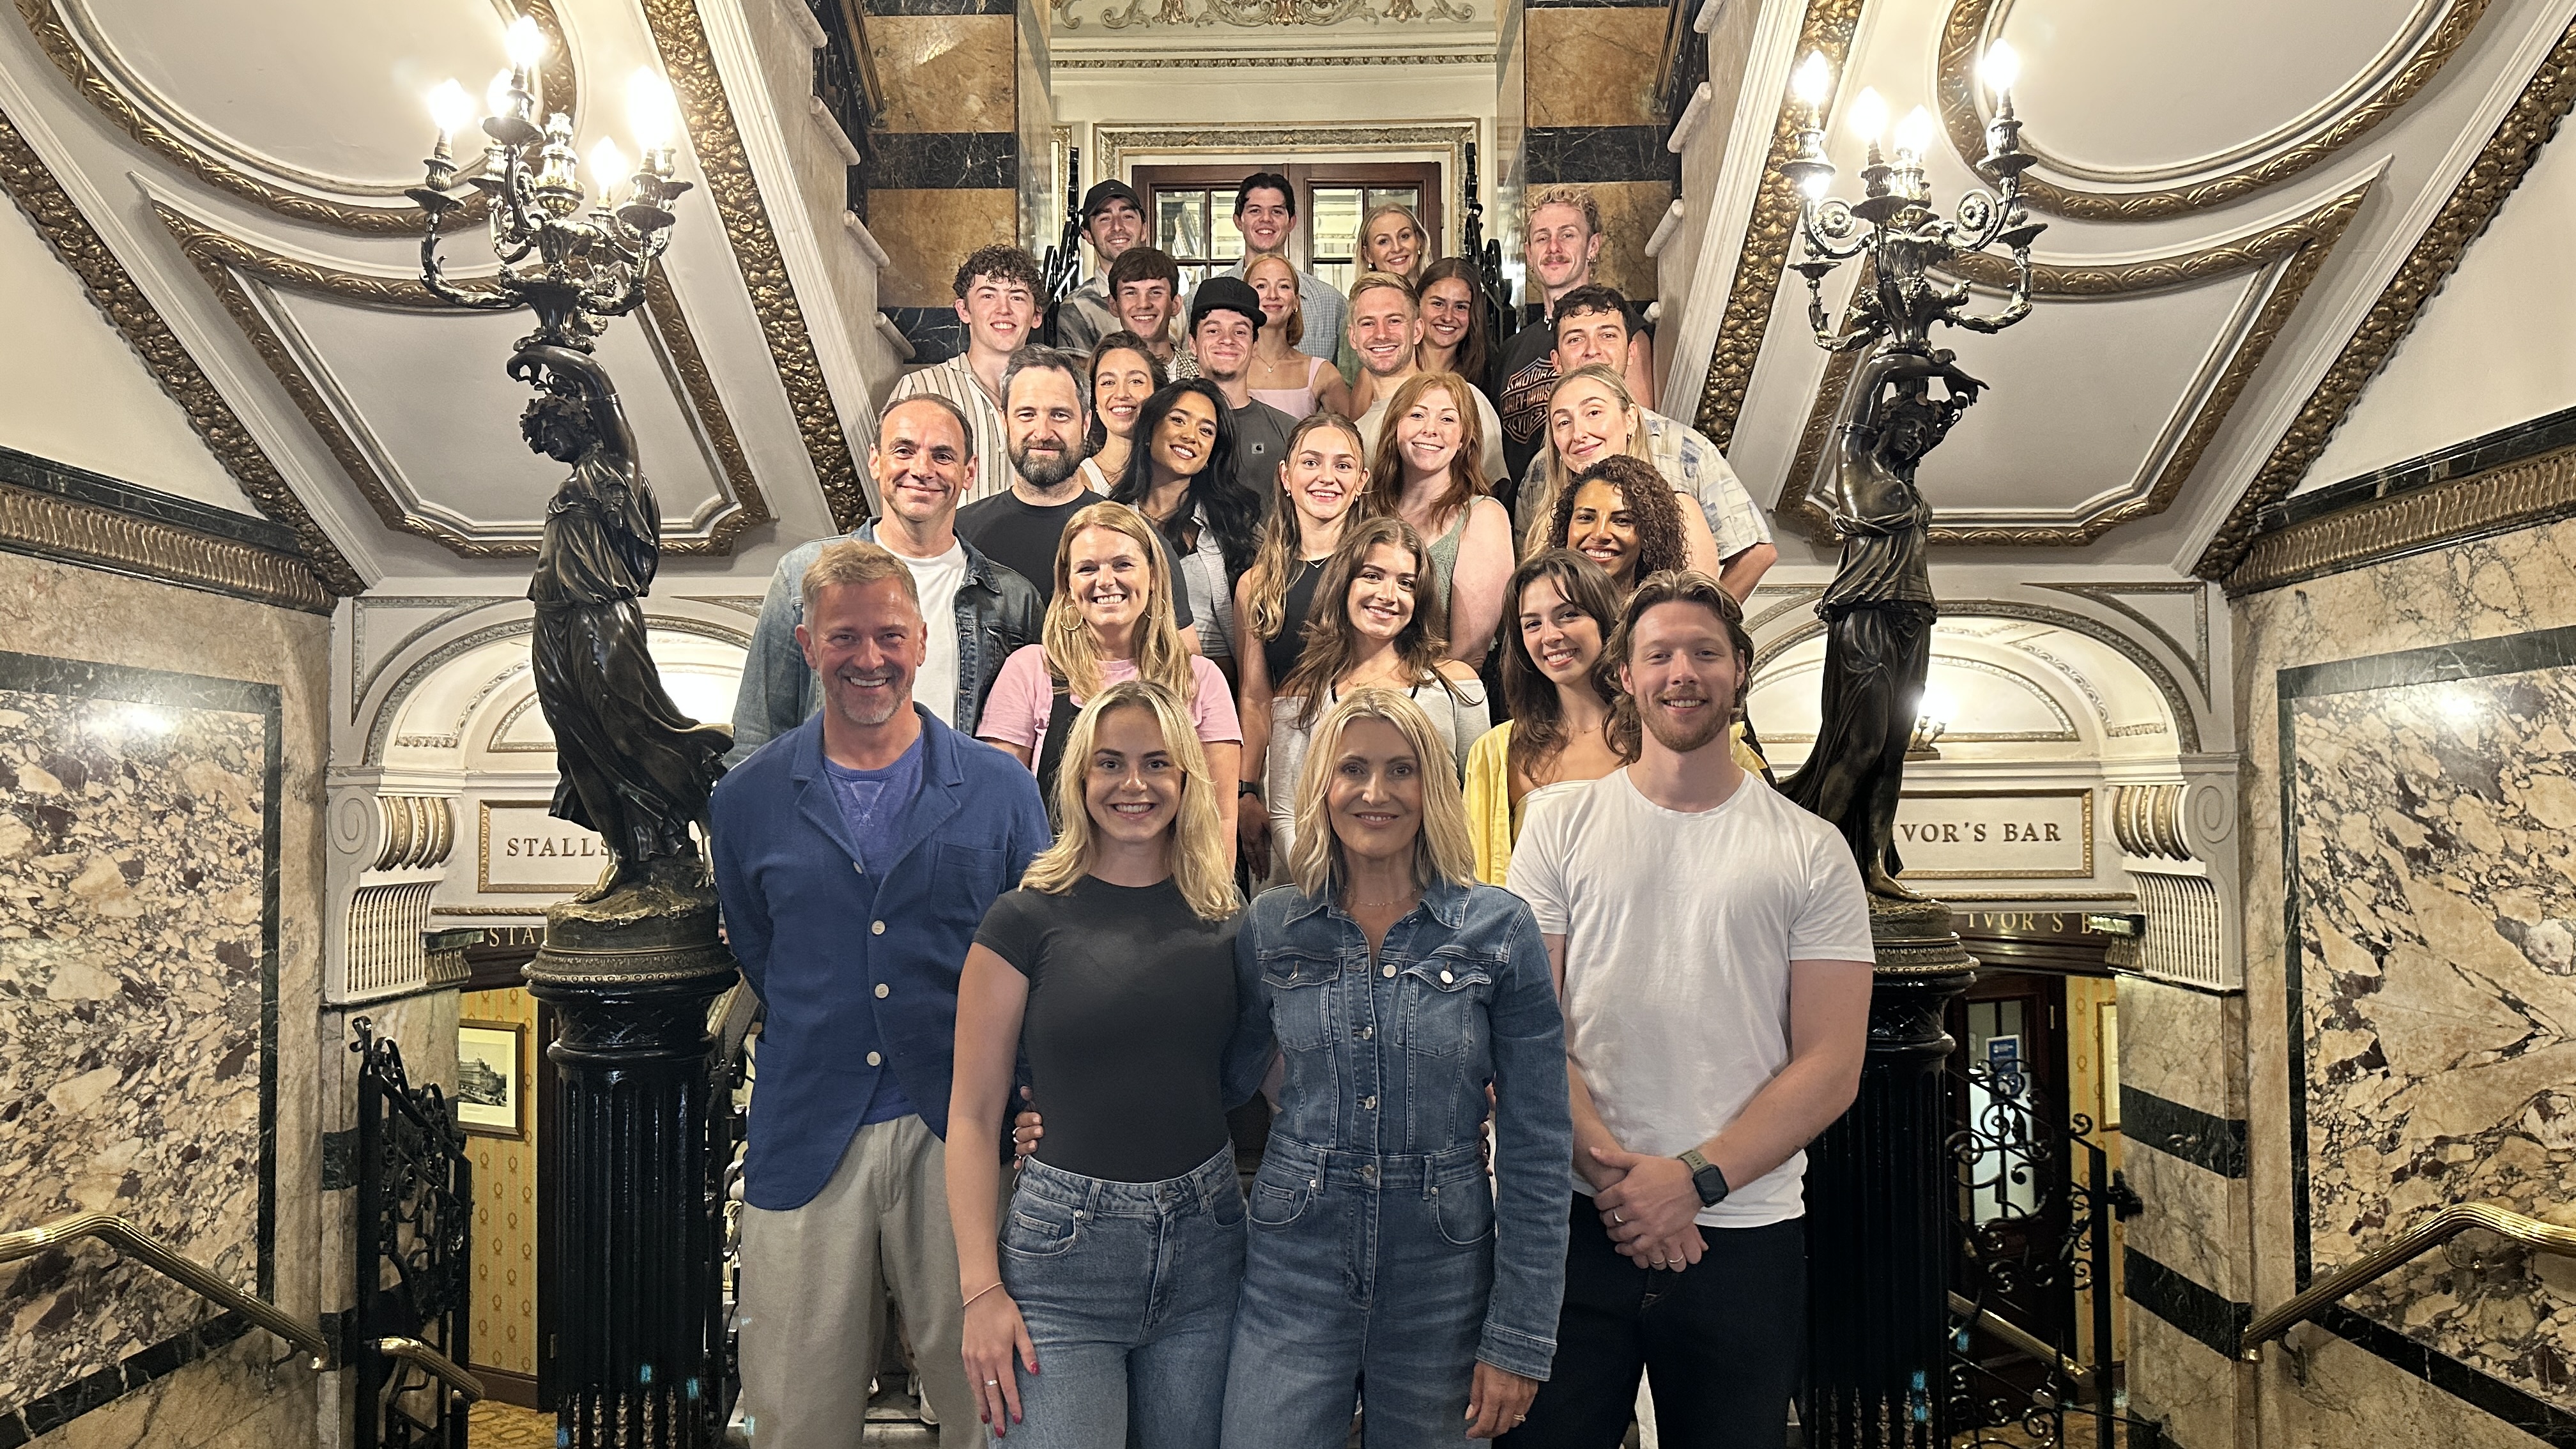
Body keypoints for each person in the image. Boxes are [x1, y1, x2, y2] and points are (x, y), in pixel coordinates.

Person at [1501, 572, 1873, 1449]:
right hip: (1576, 1223)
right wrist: (1623, 1187)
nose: (1682, 674)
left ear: (1739, 670)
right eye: (1659, 654)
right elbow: (1524, 1032)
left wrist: (1694, 1180)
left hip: (1742, 1230)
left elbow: (1831, 1065)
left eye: (1705, 653)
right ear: (1625, 676)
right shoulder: (1556, 825)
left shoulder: (1813, 851)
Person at [712, 538, 1052, 1449]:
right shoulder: (745, 800)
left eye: (891, 635)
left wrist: (1028, 1093)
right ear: (806, 644)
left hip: (962, 1132)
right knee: (793, 1410)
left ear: (922, 640)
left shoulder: (1001, 791)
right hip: (805, 1129)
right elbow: (759, 949)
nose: (870, 658)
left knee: (993, 1410)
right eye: (845, 637)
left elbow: (1039, 956)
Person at [1223, 687, 1571, 1445]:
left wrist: (1519, 1333)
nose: (1375, 792)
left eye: (1401, 770)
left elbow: (1539, 1143)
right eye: (1353, 769)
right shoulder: (1272, 925)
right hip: (1293, 1260)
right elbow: (1214, 1081)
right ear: (1323, 786)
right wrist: (1061, 1109)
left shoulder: (1499, 928)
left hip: (1444, 1272)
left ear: (1432, 786)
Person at [947, 680, 1254, 1448]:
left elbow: (1273, 1072)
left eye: (1156, 763)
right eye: (1110, 763)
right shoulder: (1023, 919)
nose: (1133, 784)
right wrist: (980, 1290)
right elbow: (974, 1115)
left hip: (1208, 1251)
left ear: (1186, 777)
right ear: (1080, 777)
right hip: (1062, 1267)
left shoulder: (1228, 923)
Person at [730, 394, 1042, 760]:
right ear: (876, 460)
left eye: (942, 456)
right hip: (826, 794)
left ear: (969, 471)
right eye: (904, 451)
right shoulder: (801, 573)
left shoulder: (1013, 600)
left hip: (960, 796)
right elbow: (758, 734)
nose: (922, 469)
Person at [976, 500, 1244, 861]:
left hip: (1172, 890)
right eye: (1087, 568)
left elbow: (1220, 820)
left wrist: (1214, 896)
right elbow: (999, 809)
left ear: (1153, 576)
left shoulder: (1201, 680)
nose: (1105, 581)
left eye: (1122, 565)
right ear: (1067, 583)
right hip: (1054, 889)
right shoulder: (1029, 671)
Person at [1528, 285, 1777, 601]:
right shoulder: (1542, 471)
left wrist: (1709, 618)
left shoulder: (1686, 451)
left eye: (1607, 335)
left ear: (1631, 351)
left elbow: (1756, 550)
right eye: (1576, 339)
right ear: (1556, 360)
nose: (1593, 350)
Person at [1266, 517, 1487, 864]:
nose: (1388, 596)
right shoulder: (1301, 693)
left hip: (1440, 881)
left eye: (1406, 583)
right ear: (1344, 583)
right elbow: (1286, 815)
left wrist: (1456, 880)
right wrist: (1326, 884)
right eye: (1372, 576)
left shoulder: (1456, 683)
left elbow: (1481, 800)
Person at [1230, 412, 1368, 878]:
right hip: (1287, 766)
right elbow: (1255, 696)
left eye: (1343, 465)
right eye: (1311, 462)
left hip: (1364, 754)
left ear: (1362, 481)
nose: (1327, 477)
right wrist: (1247, 790)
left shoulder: (1379, 571)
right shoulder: (1258, 583)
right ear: (1286, 477)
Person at [1460, 549, 1625, 885]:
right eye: (1533, 624)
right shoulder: (1496, 752)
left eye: (1568, 615)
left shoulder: (1657, 735)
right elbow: (1478, 885)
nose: (1550, 636)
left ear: (1605, 619)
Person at [1109, 379, 1263, 687]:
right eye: (1178, 420)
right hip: (1138, 690)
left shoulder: (1236, 525)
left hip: (1225, 692)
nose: (1191, 436)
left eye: (1206, 431)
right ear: (1149, 432)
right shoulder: (1111, 523)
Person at [1494, 187, 1655, 484]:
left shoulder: (1622, 332)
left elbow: (1643, 435)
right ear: (1529, 253)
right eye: (1542, 238)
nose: (1553, 248)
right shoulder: (1509, 351)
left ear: (1592, 246)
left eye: (1567, 235)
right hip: (1532, 503)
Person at [1363, 371, 1514, 664]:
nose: (1430, 429)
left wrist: (1405, 689)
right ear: (1395, 427)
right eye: (1417, 415)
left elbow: (1470, 653)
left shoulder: (1482, 516)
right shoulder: (1366, 512)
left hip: (1440, 687)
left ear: (1463, 438)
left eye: (1447, 419)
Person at [1521, 365, 1723, 575]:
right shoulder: (1543, 519)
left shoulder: (1680, 512)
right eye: (1563, 422)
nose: (1578, 434)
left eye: (1594, 413)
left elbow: (1698, 595)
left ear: (1630, 419)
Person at [891, 245, 1044, 505]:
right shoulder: (920, 389)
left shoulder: (1055, 393)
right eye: (988, 296)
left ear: (1036, 315)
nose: (1003, 309)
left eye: (1017, 297)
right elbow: (895, 485)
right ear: (963, 310)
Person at [1348, 273, 1506, 485]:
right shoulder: (1355, 434)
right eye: (1368, 323)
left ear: (1417, 330)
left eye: (1394, 321)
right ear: (1353, 337)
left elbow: (1492, 490)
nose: (1381, 334)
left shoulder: (1463, 400)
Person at [1185, 276, 1299, 500]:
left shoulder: (1288, 432)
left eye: (1240, 332)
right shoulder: (1166, 424)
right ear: (1193, 343)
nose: (1227, 340)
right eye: (1213, 331)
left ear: (1255, 346)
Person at [1210, 171, 1342, 362]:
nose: (1266, 219)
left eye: (1277, 211)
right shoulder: (1203, 298)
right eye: (1255, 211)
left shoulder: (1330, 302)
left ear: (1291, 222)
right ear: (1238, 221)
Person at [1548, 456, 1694, 600]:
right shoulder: (1539, 605)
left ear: (1650, 535)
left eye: (1622, 521)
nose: (1600, 533)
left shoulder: (1667, 612)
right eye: (1586, 518)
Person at [1245, 252, 1351, 418]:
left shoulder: (1322, 372)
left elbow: (1350, 431)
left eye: (1284, 286)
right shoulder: (1228, 367)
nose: (1273, 295)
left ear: (1296, 301)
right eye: (1261, 286)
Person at [1337, 203, 1430, 390]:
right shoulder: (1357, 313)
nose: (1397, 248)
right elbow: (1349, 385)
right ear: (1368, 254)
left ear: (1419, 241)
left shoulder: (1440, 306)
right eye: (1383, 242)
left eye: (1404, 236)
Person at [1053, 180, 1148, 355]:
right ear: (1088, 234)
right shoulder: (1078, 308)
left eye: (1127, 216)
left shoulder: (1168, 299)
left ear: (1144, 229)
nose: (1117, 226)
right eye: (1105, 219)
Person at [1075, 332, 1165, 495]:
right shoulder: (1077, 485)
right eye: (1108, 383)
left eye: (1136, 381)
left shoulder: (1175, 476)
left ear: (1157, 392)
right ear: (1094, 399)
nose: (1121, 394)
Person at [1418, 258, 1494, 408]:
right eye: (1438, 304)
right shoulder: (1390, 369)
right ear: (1417, 304)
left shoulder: (1484, 380)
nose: (1448, 317)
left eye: (1460, 307)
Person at [1110, 247, 1188, 374]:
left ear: (1175, 304)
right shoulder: (1092, 381)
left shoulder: (1202, 379)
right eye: (1131, 293)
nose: (1144, 304)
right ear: (1113, 305)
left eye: (1156, 292)